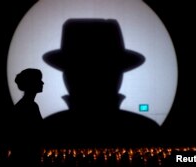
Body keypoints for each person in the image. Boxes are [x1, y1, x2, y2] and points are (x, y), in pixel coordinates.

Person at [42, 19, 160, 147]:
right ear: (119, 75)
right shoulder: (143, 129)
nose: (92, 77)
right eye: (82, 69)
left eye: (102, 69)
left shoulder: (47, 129)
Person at [11, 68, 44, 167]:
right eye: (39, 80)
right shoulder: (28, 106)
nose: (42, 83)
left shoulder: (27, 105)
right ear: (32, 83)